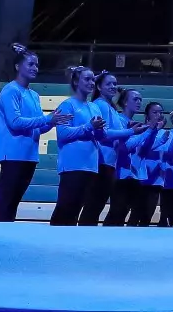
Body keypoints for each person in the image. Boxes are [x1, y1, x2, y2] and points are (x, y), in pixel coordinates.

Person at [0, 45, 70, 223]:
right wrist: (46, 119)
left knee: (14, 200)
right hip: (13, 153)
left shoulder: (33, 94)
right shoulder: (10, 90)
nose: (35, 68)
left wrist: (52, 121)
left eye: (37, 65)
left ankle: (6, 231)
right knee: (6, 199)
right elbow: (15, 122)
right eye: (31, 64)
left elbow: (39, 128)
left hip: (29, 154)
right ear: (18, 66)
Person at [49, 66, 104, 226]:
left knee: (76, 210)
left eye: (93, 79)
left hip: (90, 165)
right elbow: (63, 134)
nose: (92, 82)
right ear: (75, 81)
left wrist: (100, 130)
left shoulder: (94, 106)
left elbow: (98, 135)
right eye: (87, 79)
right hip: (73, 165)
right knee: (66, 208)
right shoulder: (67, 105)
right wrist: (89, 127)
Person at [77, 73, 132, 225]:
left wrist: (129, 128)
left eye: (115, 84)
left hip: (109, 161)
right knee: (94, 204)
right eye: (109, 84)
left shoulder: (110, 107)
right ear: (99, 87)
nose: (113, 87)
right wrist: (131, 131)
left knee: (97, 204)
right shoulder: (100, 104)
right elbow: (104, 133)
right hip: (102, 160)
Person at [99, 88, 150, 226]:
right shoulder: (119, 120)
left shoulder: (133, 123)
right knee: (117, 212)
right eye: (135, 99)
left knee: (122, 212)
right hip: (118, 173)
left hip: (130, 174)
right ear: (125, 102)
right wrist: (143, 133)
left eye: (140, 99)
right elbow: (124, 147)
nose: (139, 102)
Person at [126, 101, 166, 226]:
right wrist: (155, 133)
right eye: (155, 112)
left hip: (156, 180)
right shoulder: (141, 129)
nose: (158, 115)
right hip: (140, 178)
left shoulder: (165, 133)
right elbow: (143, 149)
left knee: (147, 216)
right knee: (135, 214)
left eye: (160, 112)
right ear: (147, 115)